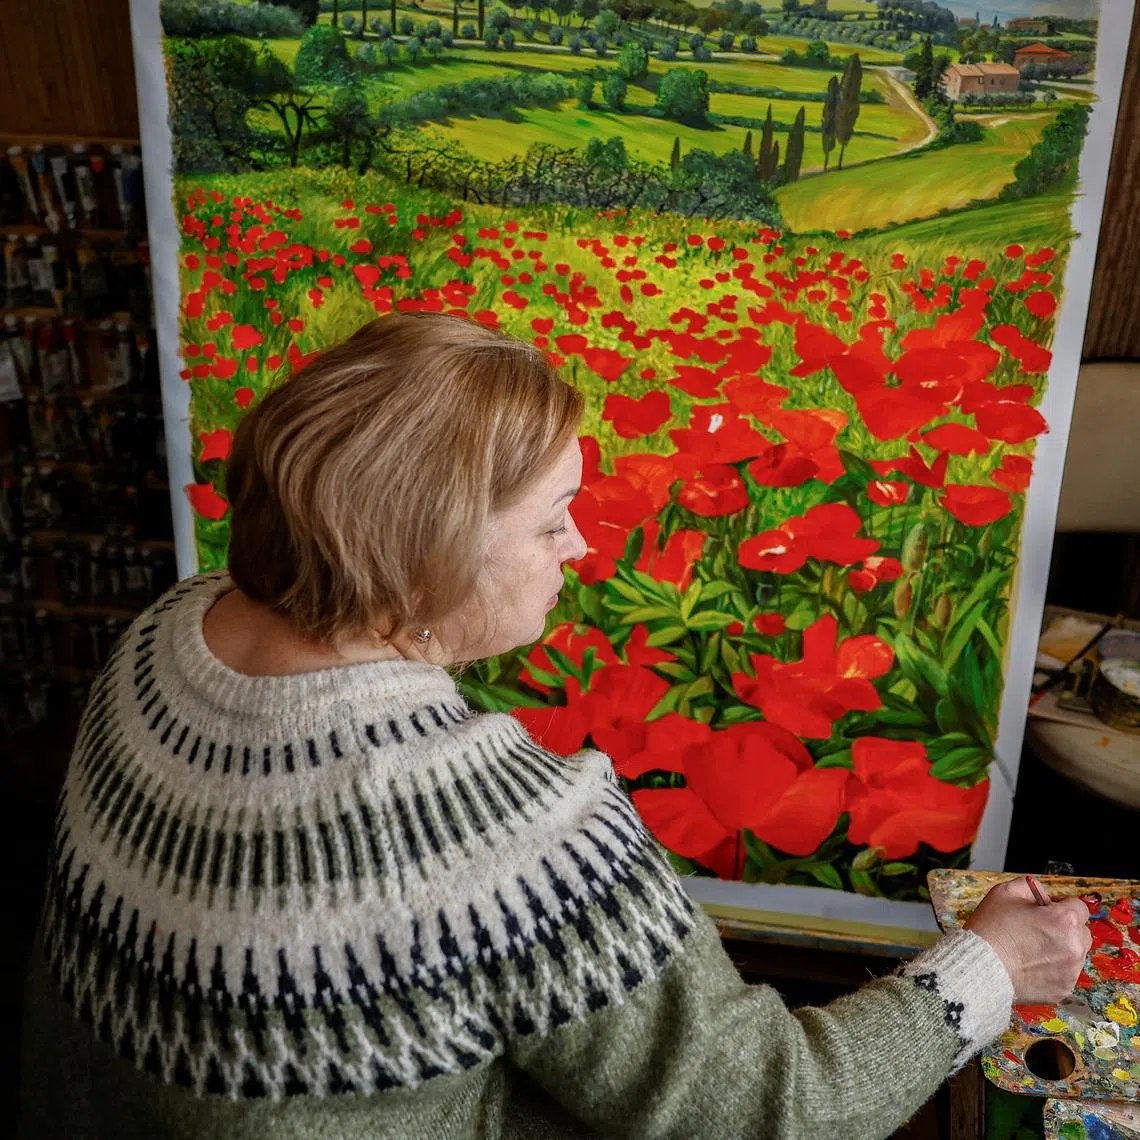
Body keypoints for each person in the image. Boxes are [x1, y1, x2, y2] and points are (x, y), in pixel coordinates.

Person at [21, 313, 1091, 1140]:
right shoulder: (497, 834)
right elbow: (774, 1111)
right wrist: (988, 964)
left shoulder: (173, 629)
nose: (581, 546)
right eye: (549, 519)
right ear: (427, 551)